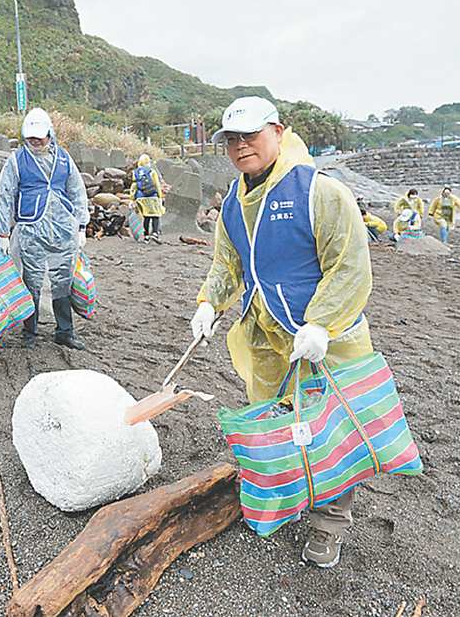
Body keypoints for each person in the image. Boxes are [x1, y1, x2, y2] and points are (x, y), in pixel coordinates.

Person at [190, 96, 373, 569]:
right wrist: (210, 302)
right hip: (265, 334)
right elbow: (227, 263)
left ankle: (329, 526)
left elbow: (349, 265)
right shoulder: (233, 201)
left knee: (331, 430)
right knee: (279, 424)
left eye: (250, 134)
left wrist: (322, 324)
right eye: (231, 139)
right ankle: (290, 498)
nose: (240, 146)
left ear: (278, 130)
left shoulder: (320, 192)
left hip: (321, 337)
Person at [0, 108, 90, 350]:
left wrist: (81, 226)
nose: (35, 141)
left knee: (62, 280)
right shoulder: (17, 160)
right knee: (32, 281)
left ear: (49, 133)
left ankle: (65, 331)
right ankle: (30, 331)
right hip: (31, 229)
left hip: (63, 230)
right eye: (30, 137)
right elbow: (4, 194)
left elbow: (77, 191)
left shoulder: (64, 159)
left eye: (39, 136)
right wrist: (2, 232)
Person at [128, 154, 165, 239]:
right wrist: (160, 197)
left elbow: (134, 187)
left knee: (146, 216)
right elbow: (157, 185)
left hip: (141, 197)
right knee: (156, 215)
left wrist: (132, 199)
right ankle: (155, 233)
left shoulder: (135, 172)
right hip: (152, 196)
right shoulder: (152, 171)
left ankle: (146, 235)